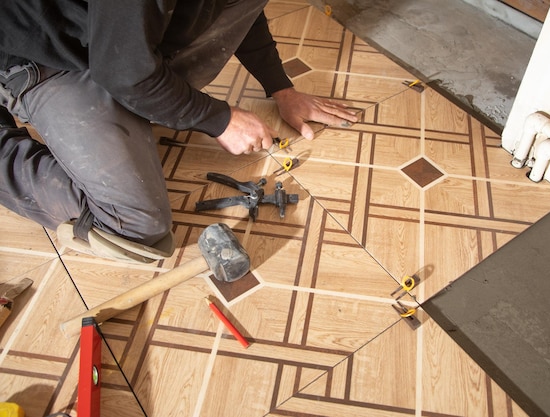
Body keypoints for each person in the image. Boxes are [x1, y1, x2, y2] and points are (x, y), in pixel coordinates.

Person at [0, 0, 358, 263]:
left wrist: (282, 89)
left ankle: (132, 91)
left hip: (106, 42)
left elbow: (242, 8)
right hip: (41, 56)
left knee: (148, 86)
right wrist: (219, 119)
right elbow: (123, 72)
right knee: (135, 226)